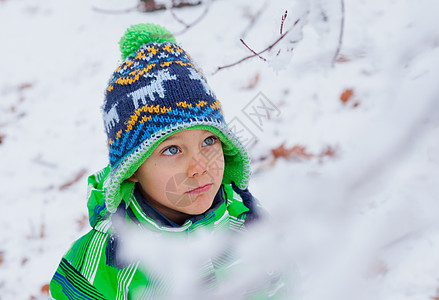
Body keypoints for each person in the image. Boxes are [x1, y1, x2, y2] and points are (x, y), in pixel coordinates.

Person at [49, 23, 282, 299]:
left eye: (209, 141)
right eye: (172, 150)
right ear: (132, 170)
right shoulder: (104, 263)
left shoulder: (248, 220)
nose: (200, 167)